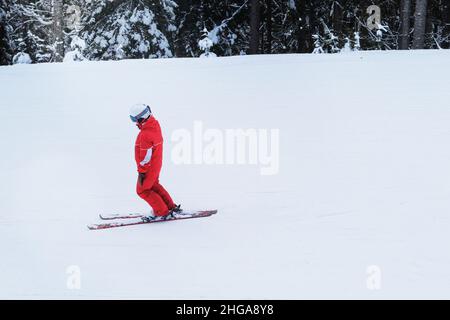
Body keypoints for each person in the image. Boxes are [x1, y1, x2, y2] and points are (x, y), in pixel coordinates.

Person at [129, 104, 181, 219]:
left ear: (141, 118)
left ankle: (162, 212)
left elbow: (145, 157)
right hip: (156, 164)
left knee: (142, 191)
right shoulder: (154, 125)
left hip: (148, 168)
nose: (134, 122)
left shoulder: (145, 134)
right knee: (153, 185)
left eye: (134, 119)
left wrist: (142, 172)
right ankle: (170, 206)